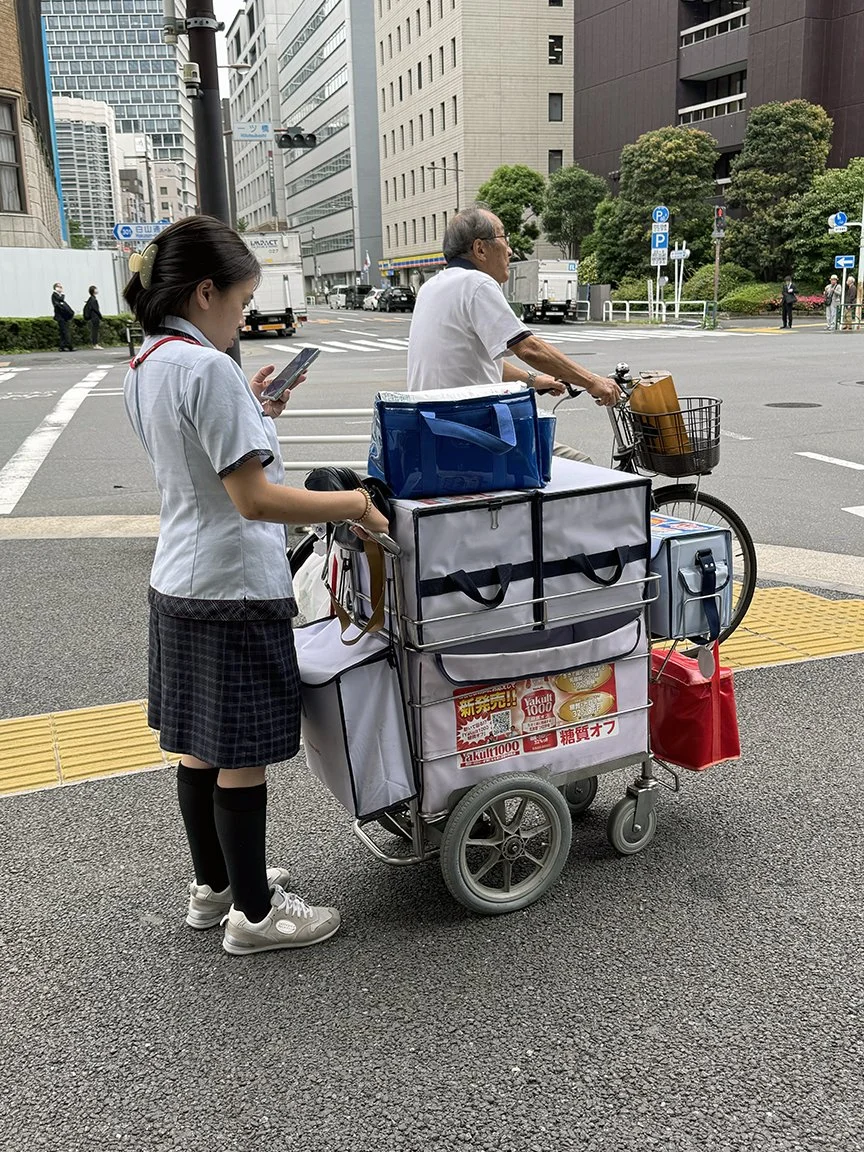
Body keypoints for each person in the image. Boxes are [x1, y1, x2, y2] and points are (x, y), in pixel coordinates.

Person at [122, 215, 389, 957]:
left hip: (179, 578)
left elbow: (201, 461)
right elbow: (255, 499)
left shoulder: (150, 360)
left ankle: (214, 889)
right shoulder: (208, 369)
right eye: (241, 303)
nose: (244, 317)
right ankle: (258, 914)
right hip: (235, 586)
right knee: (241, 751)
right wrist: (354, 505)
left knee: (199, 748)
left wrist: (258, 410)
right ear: (205, 291)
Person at [407, 206, 620, 461]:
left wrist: (534, 380)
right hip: (472, 433)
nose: (509, 249)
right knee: (581, 464)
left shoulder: (433, 287)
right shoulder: (477, 283)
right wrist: (592, 381)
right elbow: (529, 348)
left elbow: (474, 360)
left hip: (434, 427)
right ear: (480, 249)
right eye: (503, 238)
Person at [51, 282, 74, 351]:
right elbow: (60, 301)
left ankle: (62, 346)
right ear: (55, 288)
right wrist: (63, 295)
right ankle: (69, 346)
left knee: (63, 332)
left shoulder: (58, 295)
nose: (61, 288)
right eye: (59, 287)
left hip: (63, 317)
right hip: (60, 316)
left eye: (61, 287)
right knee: (65, 331)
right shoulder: (55, 295)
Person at [83, 285, 103, 349]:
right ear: (93, 291)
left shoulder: (91, 299)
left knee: (94, 331)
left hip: (92, 317)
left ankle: (95, 344)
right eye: (95, 289)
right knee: (95, 331)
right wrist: (100, 316)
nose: (97, 290)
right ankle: (95, 344)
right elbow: (96, 309)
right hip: (95, 317)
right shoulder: (93, 299)